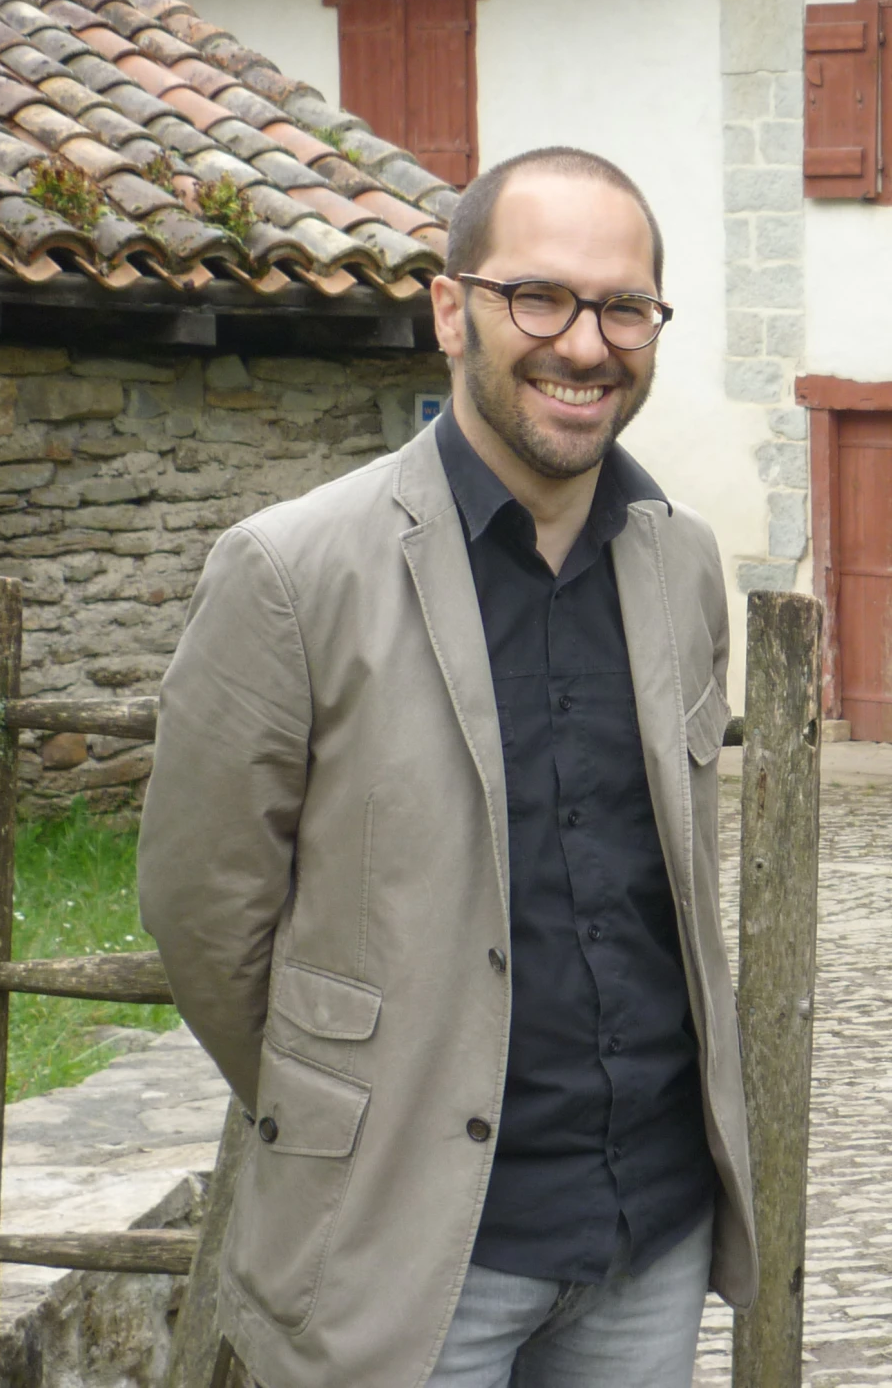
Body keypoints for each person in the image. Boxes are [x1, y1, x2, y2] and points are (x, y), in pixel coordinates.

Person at [138, 147, 753, 1388]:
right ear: (447, 307)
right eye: (539, 296)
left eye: (623, 306)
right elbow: (203, 910)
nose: (584, 343)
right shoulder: (289, 571)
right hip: (409, 1249)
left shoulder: (682, 565)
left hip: (650, 1234)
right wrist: (343, 1114)